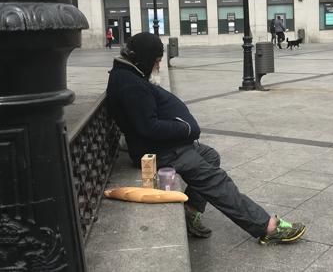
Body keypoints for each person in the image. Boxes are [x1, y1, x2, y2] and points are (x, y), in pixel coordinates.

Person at [106, 32, 307, 245]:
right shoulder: (130, 84)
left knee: (210, 156)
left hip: (163, 146)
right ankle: (266, 226)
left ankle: (191, 211)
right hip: (159, 151)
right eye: (156, 61)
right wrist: (184, 128)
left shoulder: (128, 74)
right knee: (215, 179)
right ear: (145, 58)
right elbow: (148, 127)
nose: (157, 65)